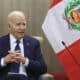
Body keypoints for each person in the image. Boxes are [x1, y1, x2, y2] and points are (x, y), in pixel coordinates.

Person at [0, 11, 47, 80]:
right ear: (9, 26)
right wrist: (4, 60)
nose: (22, 28)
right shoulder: (1, 42)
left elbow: (43, 68)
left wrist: (25, 60)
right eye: (18, 24)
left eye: (24, 24)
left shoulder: (34, 43)